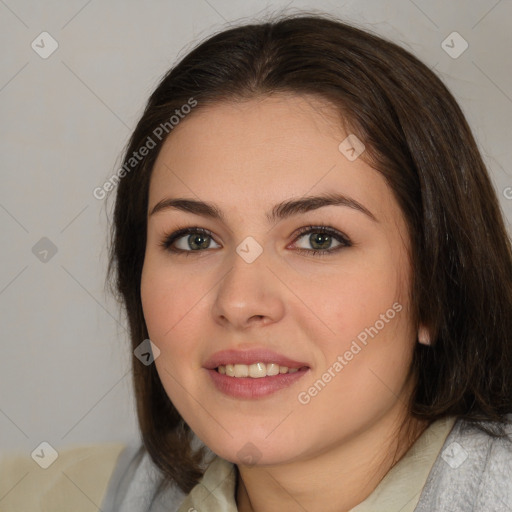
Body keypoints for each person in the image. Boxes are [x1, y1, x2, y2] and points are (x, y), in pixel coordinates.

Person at [2, 12, 511, 512]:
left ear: (436, 292)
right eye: (195, 240)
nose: (240, 301)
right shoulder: (81, 493)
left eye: (318, 239)